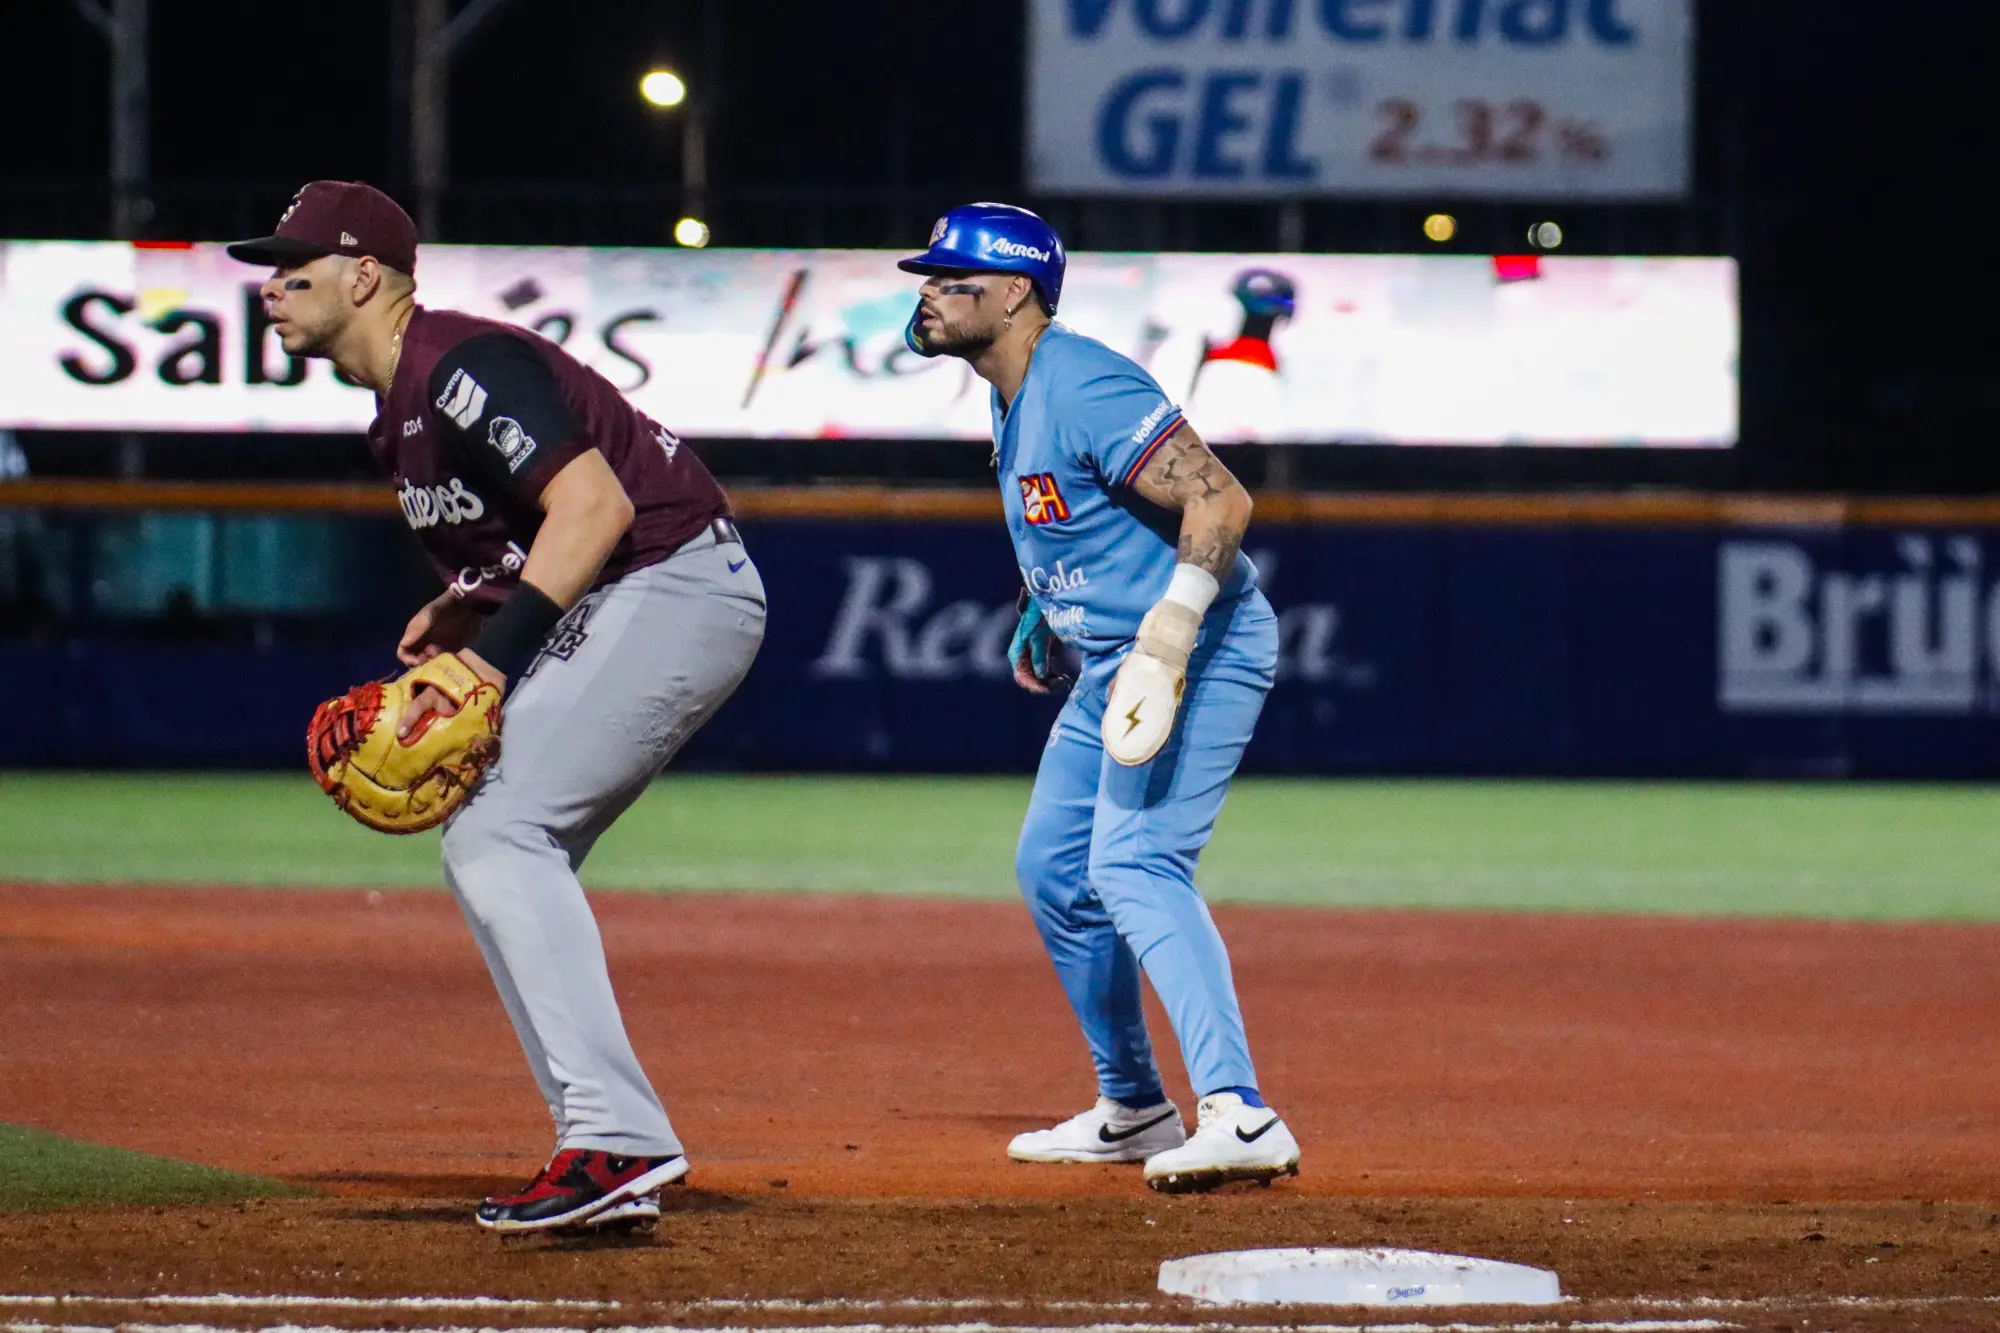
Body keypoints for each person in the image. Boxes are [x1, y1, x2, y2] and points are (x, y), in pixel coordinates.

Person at [228, 181, 766, 1232]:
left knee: (500, 832)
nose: (272, 290)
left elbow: (598, 505)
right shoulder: (397, 410)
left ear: (365, 275)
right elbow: (536, 533)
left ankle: (615, 1140)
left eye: (295, 269)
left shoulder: (458, 364)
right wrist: (468, 607)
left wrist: (486, 666)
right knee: (496, 843)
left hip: (672, 581)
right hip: (635, 593)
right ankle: (607, 1136)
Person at [898, 204, 1301, 1192]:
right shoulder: (1009, 391)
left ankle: (1240, 1114)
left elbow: (1220, 499)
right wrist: (1048, 610)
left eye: (950, 278)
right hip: (1112, 663)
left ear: (1013, 294)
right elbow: (1076, 518)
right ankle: (1132, 1107)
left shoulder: (1077, 377)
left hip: (1191, 646)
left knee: (1135, 861)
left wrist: (1168, 629)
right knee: (1053, 871)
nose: (927, 292)